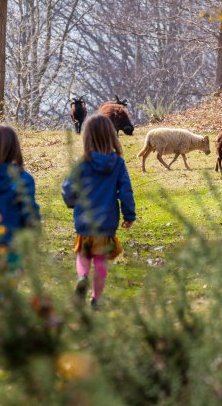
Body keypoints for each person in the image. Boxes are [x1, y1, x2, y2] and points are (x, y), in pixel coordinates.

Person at [62, 114, 136, 310]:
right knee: (101, 260)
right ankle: (95, 299)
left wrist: (71, 203)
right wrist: (129, 215)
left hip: (85, 221)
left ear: (87, 137)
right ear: (112, 136)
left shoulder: (82, 163)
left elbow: (68, 188)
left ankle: (82, 277)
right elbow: (126, 191)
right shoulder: (118, 163)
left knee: (83, 256)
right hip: (107, 222)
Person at [0, 124, 41, 272]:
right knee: (6, 290)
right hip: (12, 245)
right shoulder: (23, 180)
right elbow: (29, 213)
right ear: (14, 149)